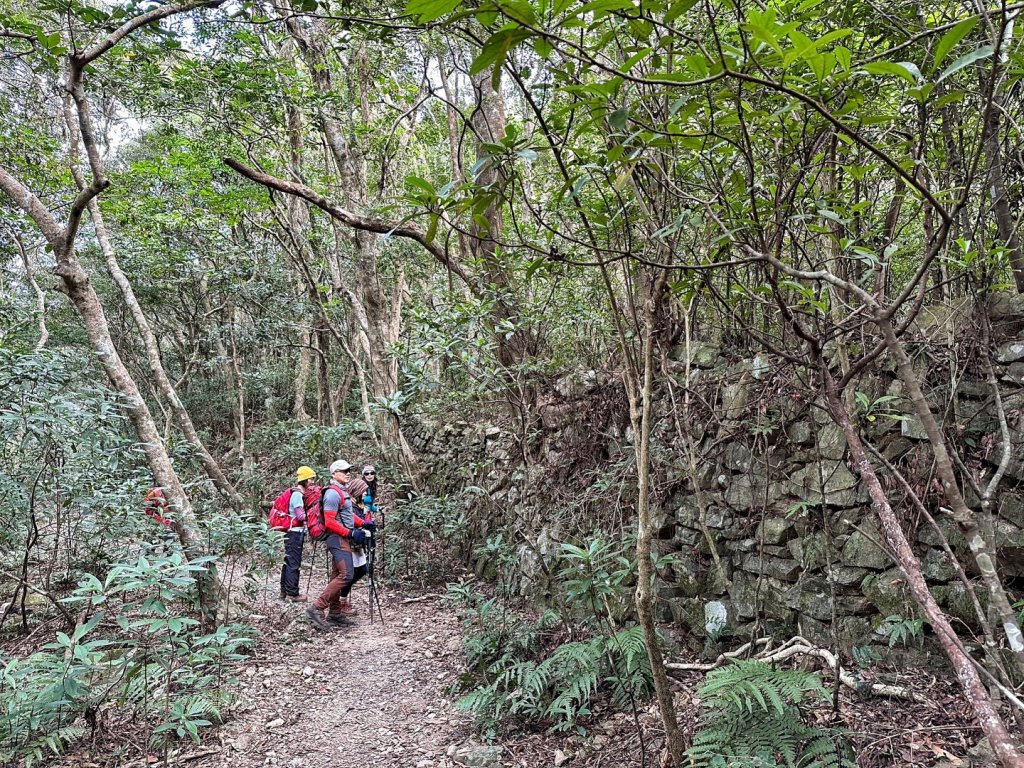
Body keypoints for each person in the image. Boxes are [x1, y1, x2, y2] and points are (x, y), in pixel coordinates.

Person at [305, 460, 367, 631]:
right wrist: (350, 533)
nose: (347, 473)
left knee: (337, 575)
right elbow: (330, 521)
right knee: (347, 575)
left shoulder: (342, 492)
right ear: (333, 474)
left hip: (342, 538)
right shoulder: (332, 493)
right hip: (337, 539)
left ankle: (335, 614)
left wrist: (363, 524)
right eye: (343, 471)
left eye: (348, 470)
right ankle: (316, 608)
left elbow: (347, 515)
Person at [275, 466, 318, 603]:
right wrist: (314, 515)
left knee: (288, 561)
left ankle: (284, 590)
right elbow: (300, 515)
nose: (312, 482)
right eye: (310, 479)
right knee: (294, 563)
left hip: (291, 532)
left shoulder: (296, 493)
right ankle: (292, 594)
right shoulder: (298, 495)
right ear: (304, 480)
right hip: (295, 533)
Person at [336, 477, 375, 616]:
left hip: (358, 544)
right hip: (350, 542)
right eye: (363, 491)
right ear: (356, 491)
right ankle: (341, 601)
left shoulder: (359, 505)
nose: (365, 494)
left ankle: (341, 598)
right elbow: (348, 523)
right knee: (350, 573)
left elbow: (363, 520)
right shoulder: (349, 506)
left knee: (361, 570)